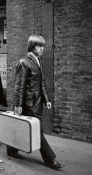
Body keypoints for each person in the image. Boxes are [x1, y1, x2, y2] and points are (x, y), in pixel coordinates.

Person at [6, 34, 64, 170]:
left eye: (42, 46)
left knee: (23, 127)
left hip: (36, 103)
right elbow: (19, 86)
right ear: (32, 46)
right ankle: (51, 159)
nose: (41, 48)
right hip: (28, 104)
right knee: (38, 131)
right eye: (38, 46)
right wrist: (18, 105)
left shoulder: (38, 62)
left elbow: (41, 83)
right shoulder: (24, 62)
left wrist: (46, 99)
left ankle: (11, 150)